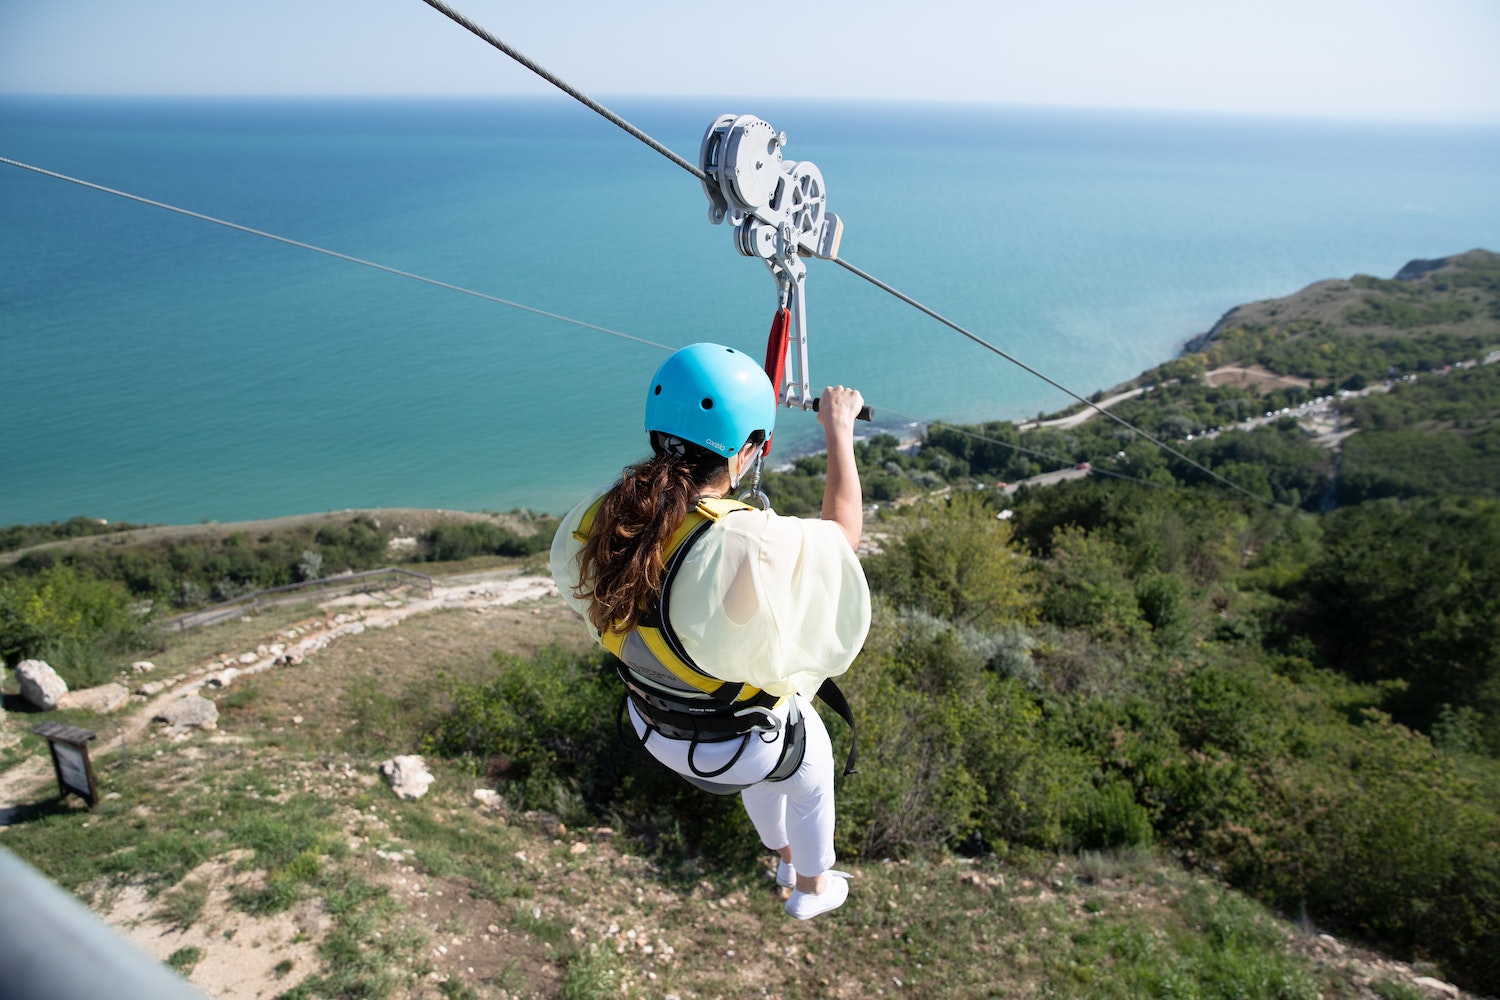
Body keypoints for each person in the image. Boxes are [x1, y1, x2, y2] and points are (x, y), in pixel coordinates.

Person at [550, 342, 871, 920]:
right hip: (731, 744)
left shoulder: (601, 516)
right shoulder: (742, 541)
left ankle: (780, 854)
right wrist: (838, 430)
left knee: (770, 766)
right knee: (809, 763)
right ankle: (811, 889)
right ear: (749, 451)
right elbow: (842, 538)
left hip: (655, 726)